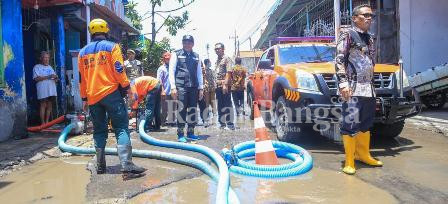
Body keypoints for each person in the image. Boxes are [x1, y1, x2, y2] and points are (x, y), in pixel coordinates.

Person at [78, 18, 146, 180]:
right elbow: (119, 71)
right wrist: (128, 89)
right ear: (106, 31)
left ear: (91, 32)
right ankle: (127, 166)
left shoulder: (82, 53)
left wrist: (84, 99)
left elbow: (82, 80)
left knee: (99, 130)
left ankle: (100, 166)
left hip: (93, 97)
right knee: (121, 127)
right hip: (111, 94)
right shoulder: (112, 47)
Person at [335, 4, 383, 175]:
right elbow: (339, 60)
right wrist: (343, 83)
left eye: (371, 15)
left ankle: (363, 154)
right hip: (352, 87)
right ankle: (349, 160)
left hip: (368, 88)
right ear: (355, 18)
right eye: (365, 15)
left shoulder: (369, 37)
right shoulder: (347, 34)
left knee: (366, 122)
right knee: (350, 123)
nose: (369, 18)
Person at [169, 35, 204, 143]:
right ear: (182, 43)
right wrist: (173, 87)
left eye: (189, 42)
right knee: (181, 110)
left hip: (194, 87)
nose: (187, 44)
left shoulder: (197, 56)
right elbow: (171, 70)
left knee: (193, 110)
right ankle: (180, 134)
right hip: (181, 86)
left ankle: (191, 133)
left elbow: (199, 73)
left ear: (193, 44)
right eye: (185, 42)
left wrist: (201, 88)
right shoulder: (176, 54)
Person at [33, 51, 58, 125]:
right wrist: (49, 76)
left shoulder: (50, 67)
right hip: (43, 90)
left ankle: (47, 122)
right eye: (45, 57)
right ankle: (43, 123)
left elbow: (54, 76)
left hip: (51, 90)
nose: (47, 59)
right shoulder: (37, 67)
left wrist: (56, 79)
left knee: (49, 105)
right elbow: (36, 78)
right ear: (41, 58)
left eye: (48, 58)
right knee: (43, 105)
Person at [214, 43, 235, 130]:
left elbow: (228, 72)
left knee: (227, 104)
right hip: (218, 86)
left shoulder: (227, 58)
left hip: (224, 85)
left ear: (223, 49)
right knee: (220, 104)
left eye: (218, 48)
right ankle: (222, 123)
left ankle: (230, 123)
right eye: (215, 49)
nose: (217, 50)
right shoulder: (217, 60)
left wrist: (225, 85)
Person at [157, 52, 174, 126]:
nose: (168, 60)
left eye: (169, 58)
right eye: (166, 58)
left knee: (173, 108)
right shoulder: (161, 68)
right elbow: (159, 81)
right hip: (165, 91)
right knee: (164, 109)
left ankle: (171, 122)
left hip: (173, 91)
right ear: (163, 59)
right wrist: (162, 91)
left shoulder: (173, 67)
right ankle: (162, 122)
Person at [198, 59, 216, 127]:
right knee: (207, 103)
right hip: (206, 89)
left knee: (213, 102)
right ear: (207, 63)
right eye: (210, 62)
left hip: (212, 88)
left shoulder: (211, 70)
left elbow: (213, 79)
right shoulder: (203, 71)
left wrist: (214, 86)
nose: (210, 63)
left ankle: (214, 117)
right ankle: (207, 118)